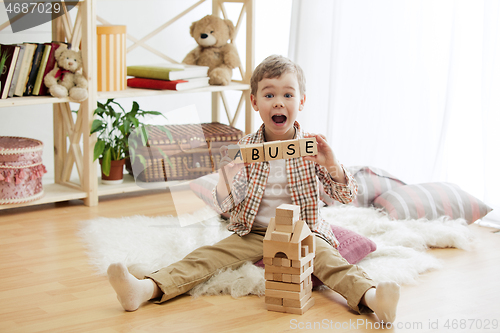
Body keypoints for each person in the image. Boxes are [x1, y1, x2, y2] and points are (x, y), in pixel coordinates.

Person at [107, 55, 400, 323]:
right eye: (269, 94)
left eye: (288, 94)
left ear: (301, 101)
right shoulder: (244, 148)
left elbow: (346, 196)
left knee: (331, 263)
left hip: (304, 230)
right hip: (255, 232)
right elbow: (227, 205)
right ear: (254, 102)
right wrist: (226, 181)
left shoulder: (313, 146)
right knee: (205, 257)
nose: (278, 102)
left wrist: (333, 165)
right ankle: (145, 289)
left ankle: (373, 299)